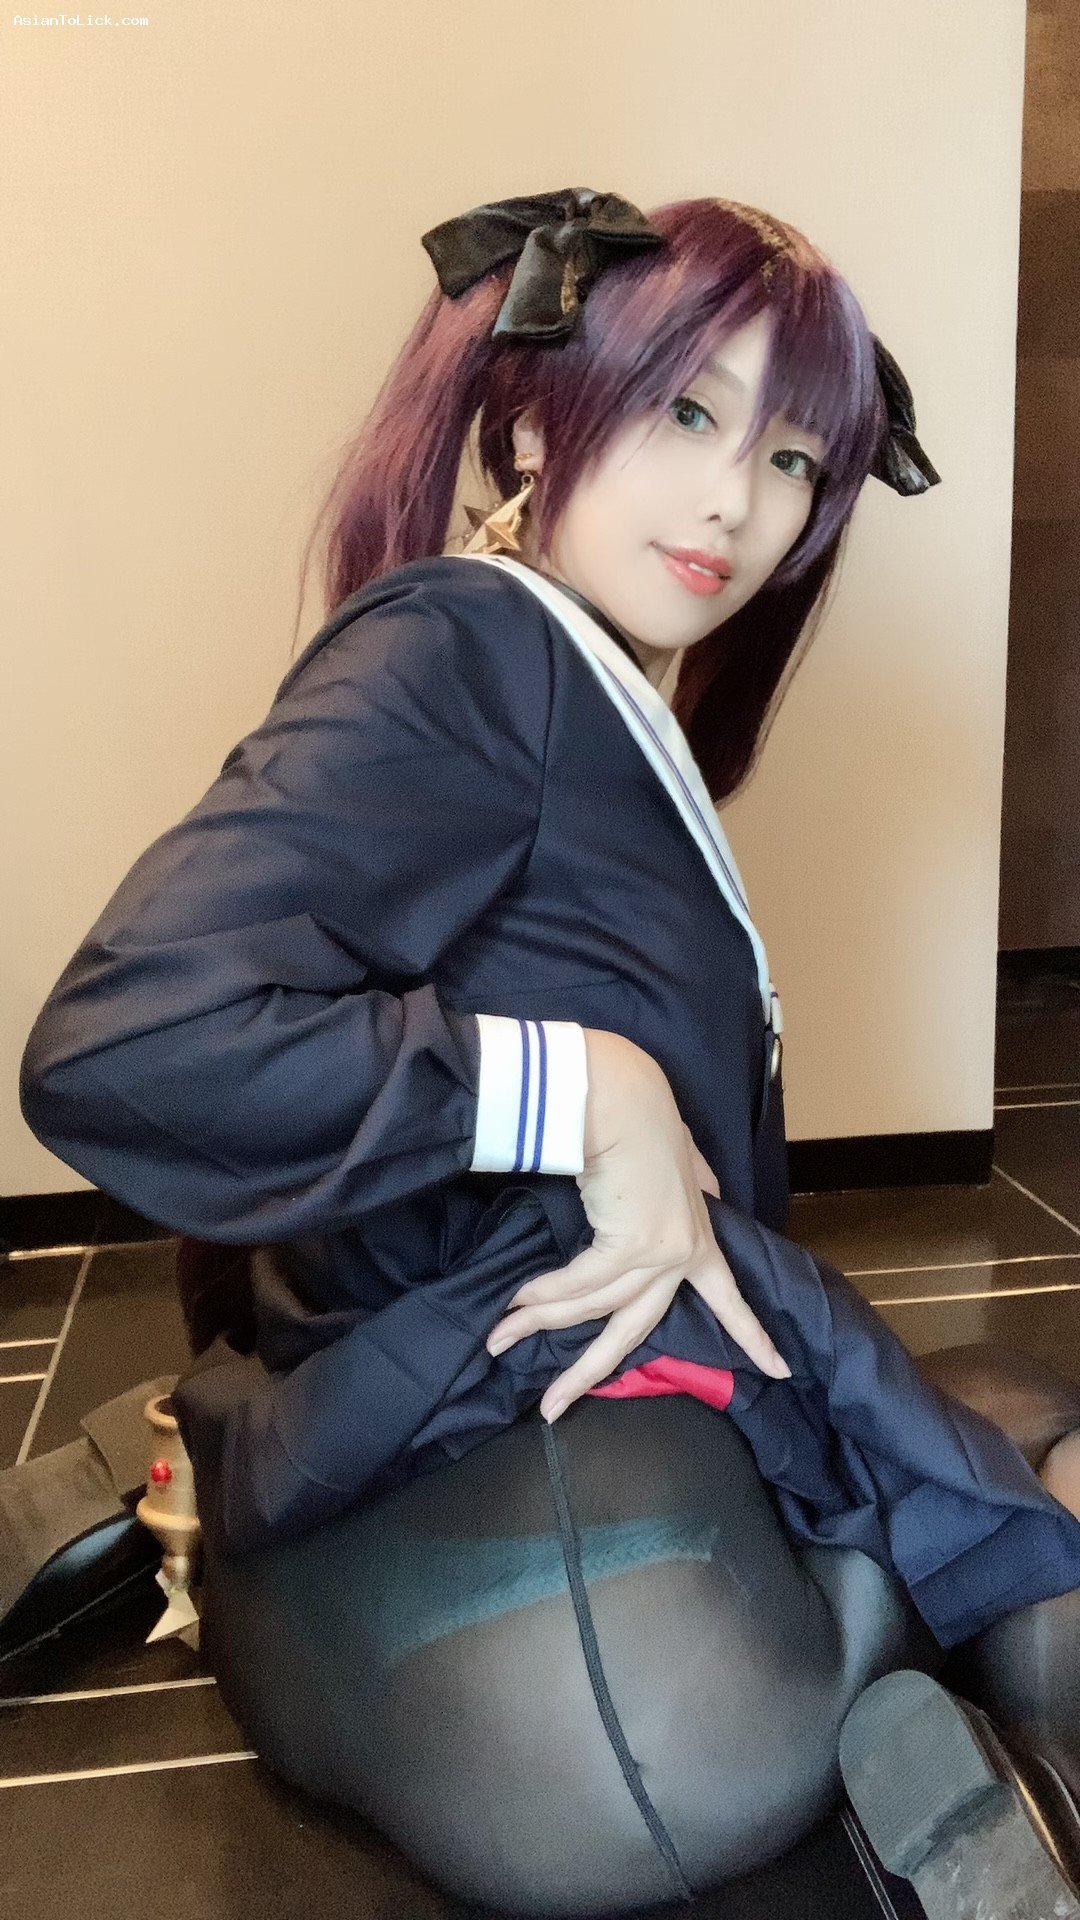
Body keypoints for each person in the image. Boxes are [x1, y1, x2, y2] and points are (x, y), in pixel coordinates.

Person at [18, 189, 1080, 1916]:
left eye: (793, 459)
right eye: (687, 413)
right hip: (537, 1476)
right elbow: (124, 1040)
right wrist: (578, 1085)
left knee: (1014, 1435)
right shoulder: (467, 644)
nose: (737, 502)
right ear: (529, 420)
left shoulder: (576, 682)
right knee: (1009, 1480)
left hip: (554, 1417)